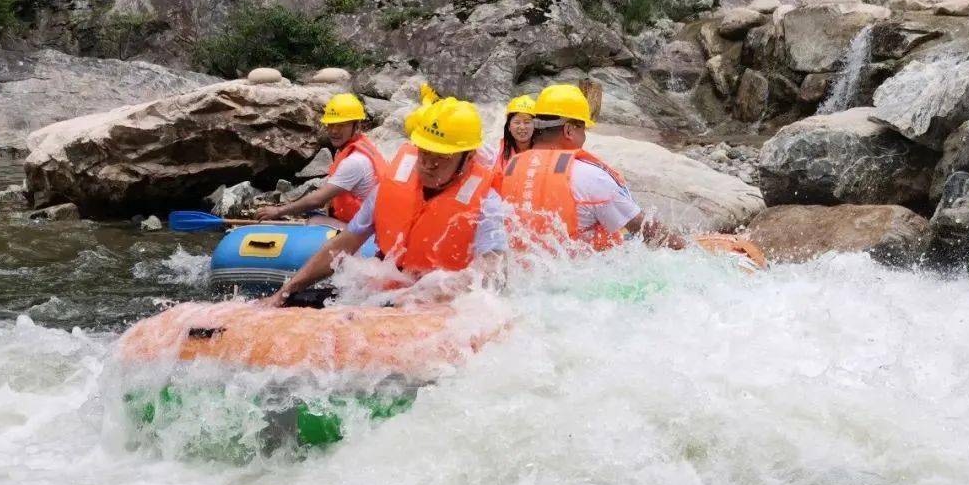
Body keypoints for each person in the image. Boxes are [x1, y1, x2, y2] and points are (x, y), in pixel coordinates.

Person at [261, 97, 507, 307]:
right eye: (425, 152)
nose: (428, 164)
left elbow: (490, 275)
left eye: (442, 157)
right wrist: (288, 289)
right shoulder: (390, 187)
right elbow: (345, 242)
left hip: (437, 304)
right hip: (390, 288)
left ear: (469, 157)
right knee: (298, 301)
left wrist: (427, 293)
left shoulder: (487, 204)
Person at [499, 83, 687, 251]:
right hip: (582, 275)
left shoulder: (509, 168)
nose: (584, 137)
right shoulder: (590, 176)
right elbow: (648, 231)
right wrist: (687, 248)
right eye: (583, 129)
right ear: (569, 130)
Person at [256, 93, 384, 224]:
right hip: (365, 220)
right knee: (311, 213)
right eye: (331, 124)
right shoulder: (353, 148)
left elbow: (318, 200)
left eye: (341, 125)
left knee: (314, 221)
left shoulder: (355, 161)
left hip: (366, 230)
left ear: (357, 126)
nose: (334, 131)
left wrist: (278, 211)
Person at [498, 95, 536, 168]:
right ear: (509, 126)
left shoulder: (544, 149)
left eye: (527, 122)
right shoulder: (498, 151)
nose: (522, 127)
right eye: (517, 122)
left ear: (535, 126)